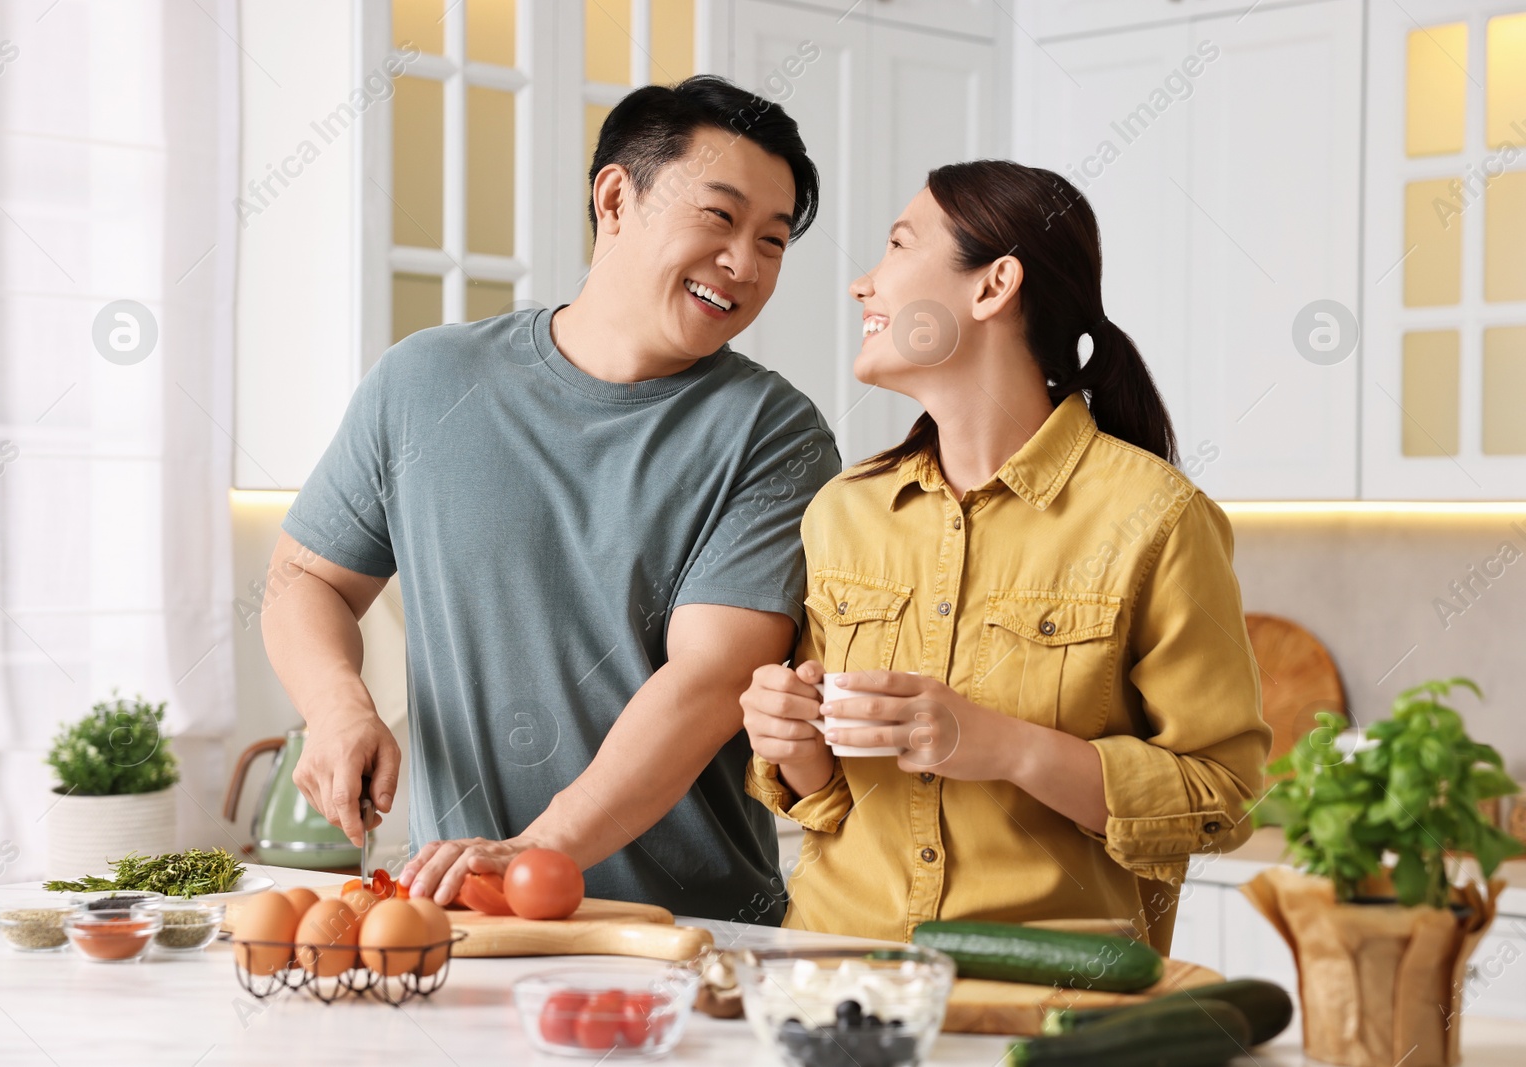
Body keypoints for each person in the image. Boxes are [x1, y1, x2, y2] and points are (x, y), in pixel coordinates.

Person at [262, 75, 840, 923]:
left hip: (695, 934)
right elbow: (301, 580)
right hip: (460, 922)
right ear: (615, 197)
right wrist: (337, 705)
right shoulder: (426, 382)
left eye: (774, 241)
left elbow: (710, 680)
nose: (744, 265)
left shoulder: (777, 434)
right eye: (719, 217)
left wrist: (543, 845)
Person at [739, 160, 1270, 953]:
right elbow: (832, 800)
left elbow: (1221, 802)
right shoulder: (844, 512)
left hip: (1047, 1002)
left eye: (895, 245)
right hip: (834, 971)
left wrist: (1007, 747)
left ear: (993, 286)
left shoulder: (1156, 520)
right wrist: (794, 744)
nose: (862, 284)